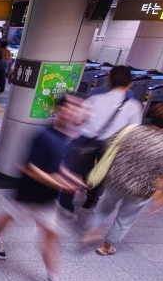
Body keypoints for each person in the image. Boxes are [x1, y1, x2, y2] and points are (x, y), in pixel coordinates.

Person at [0, 102, 83, 281]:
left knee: (48, 236)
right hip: (29, 194)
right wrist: (61, 183)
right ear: (61, 109)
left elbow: (56, 167)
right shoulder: (44, 136)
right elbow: (29, 168)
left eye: (79, 108)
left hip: (48, 199)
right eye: (72, 107)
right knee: (9, 217)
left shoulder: (67, 138)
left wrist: (70, 178)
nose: (75, 112)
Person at [83, 102, 163, 255]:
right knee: (125, 218)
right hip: (141, 189)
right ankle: (106, 246)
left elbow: (107, 147)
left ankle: (93, 230)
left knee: (105, 208)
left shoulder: (131, 130)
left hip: (116, 180)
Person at [59, 66, 142, 213]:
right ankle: (91, 201)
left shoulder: (94, 99)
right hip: (111, 146)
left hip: (87, 141)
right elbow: (133, 132)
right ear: (130, 84)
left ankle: (66, 204)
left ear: (109, 80)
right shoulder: (134, 107)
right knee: (101, 173)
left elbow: (78, 121)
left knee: (77, 170)